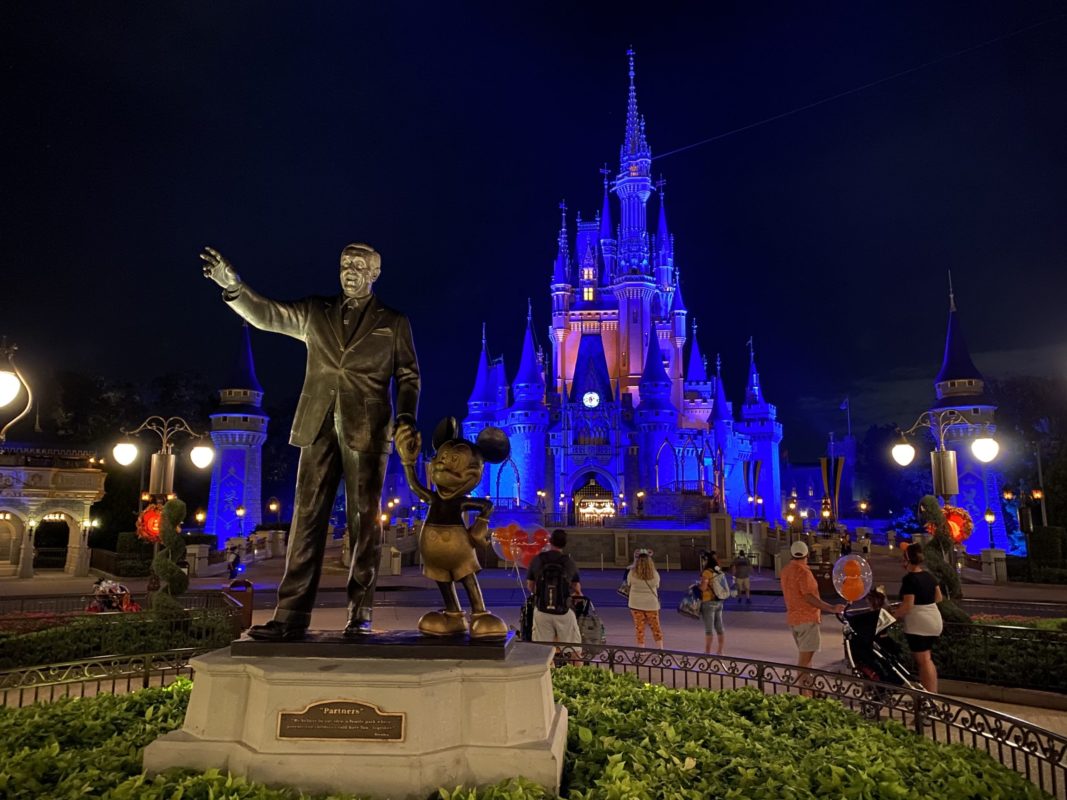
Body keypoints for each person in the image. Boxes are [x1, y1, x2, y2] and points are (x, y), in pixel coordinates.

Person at [202, 244, 420, 641]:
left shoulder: (394, 322)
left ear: (375, 273)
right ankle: (291, 613)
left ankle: (361, 613)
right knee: (306, 517)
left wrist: (405, 418)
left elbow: (408, 376)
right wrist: (234, 287)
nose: (349, 272)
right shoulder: (315, 311)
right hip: (316, 422)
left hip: (368, 428)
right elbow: (269, 314)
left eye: (357, 267)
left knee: (364, 522)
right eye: (343, 265)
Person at [780, 541, 846, 674]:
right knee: (804, 664)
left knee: (806, 661)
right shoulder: (804, 572)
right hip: (807, 620)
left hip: (794, 620)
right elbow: (809, 597)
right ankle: (802, 692)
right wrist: (831, 608)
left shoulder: (785, 571)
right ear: (808, 554)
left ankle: (808, 692)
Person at [893, 542, 944, 692]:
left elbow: (908, 605)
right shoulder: (928, 576)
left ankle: (929, 696)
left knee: (923, 660)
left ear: (907, 560)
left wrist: (893, 616)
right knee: (927, 658)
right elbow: (939, 598)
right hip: (934, 619)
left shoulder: (910, 579)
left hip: (918, 624)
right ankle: (932, 693)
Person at [525, 529, 582, 646]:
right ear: (565, 544)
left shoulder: (538, 559)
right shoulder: (568, 562)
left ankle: (548, 663)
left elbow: (530, 586)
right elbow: (576, 588)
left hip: (542, 609)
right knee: (573, 649)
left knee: (542, 650)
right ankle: (574, 663)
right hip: (564, 610)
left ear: (550, 541)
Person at [626, 550, 663, 649]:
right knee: (656, 628)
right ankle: (660, 649)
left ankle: (641, 649)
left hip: (635, 604)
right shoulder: (654, 574)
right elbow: (657, 585)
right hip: (651, 604)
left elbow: (628, 583)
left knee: (640, 628)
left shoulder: (632, 573)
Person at [698, 551, 727, 654]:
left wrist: (698, 586)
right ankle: (720, 650)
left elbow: (704, 587)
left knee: (709, 629)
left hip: (708, 602)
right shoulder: (719, 572)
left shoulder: (706, 573)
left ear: (706, 561)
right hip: (719, 602)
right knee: (719, 626)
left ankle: (707, 652)